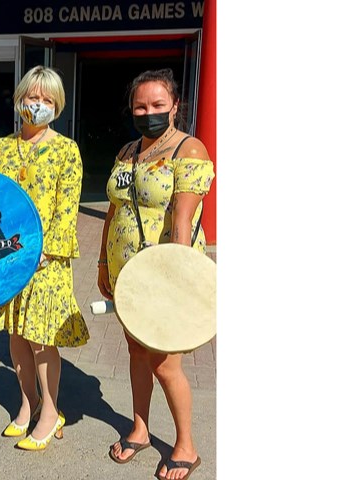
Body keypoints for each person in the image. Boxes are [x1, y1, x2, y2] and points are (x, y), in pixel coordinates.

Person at [97, 69, 214, 479]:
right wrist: (101, 263)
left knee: (165, 363)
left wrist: (177, 280)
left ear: (175, 107)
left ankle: (187, 445)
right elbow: (113, 209)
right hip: (127, 274)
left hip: (165, 275)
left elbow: (183, 220)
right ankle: (140, 429)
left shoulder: (189, 151)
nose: (148, 113)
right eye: (140, 106)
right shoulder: (128, 150)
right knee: (135, 352)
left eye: (157, 105)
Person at [0, 65, 88, 451]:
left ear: (56, 106)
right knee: (16, 335)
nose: (36, 105)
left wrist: (43, 251)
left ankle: (51, 410)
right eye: (31, 97)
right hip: (7, 259)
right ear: (20, 98)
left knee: (42, 338)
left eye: (45, 99)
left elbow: (66, 208)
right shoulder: (0, 148)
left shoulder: (65, 150)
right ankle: (27, 402)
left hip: (45, 261)